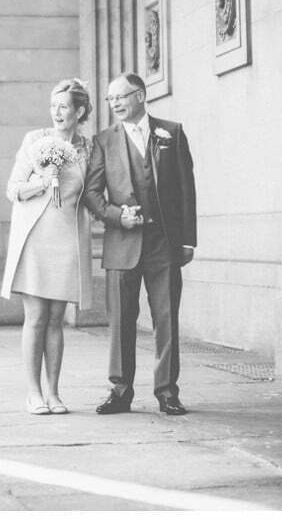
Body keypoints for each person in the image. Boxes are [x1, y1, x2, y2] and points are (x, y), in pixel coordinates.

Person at [83, 72, 196, 416]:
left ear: (141, 95)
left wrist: (188, 241)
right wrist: (118, 216)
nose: (115, 103)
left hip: (164, 243)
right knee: (120, 322)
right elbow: (91, 192)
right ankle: (120, 391)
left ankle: (167, 391)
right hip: (122, 244)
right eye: (110, 99)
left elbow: (186, 189)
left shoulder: (171, 133)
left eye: (121, 96)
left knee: (167, 319)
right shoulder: (104, 140)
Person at [1, 78, 93, 415]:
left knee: (56, 318)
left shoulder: (88, 148)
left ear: (79, 110)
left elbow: (92, 194)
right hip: (35, 235)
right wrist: (42, 181)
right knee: (36, 316)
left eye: (64, 106)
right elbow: (13, 188)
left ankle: (54, 392)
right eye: (53, 105)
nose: (56, 112)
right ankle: (33, 392)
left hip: (67, 236)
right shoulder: (35, 140)